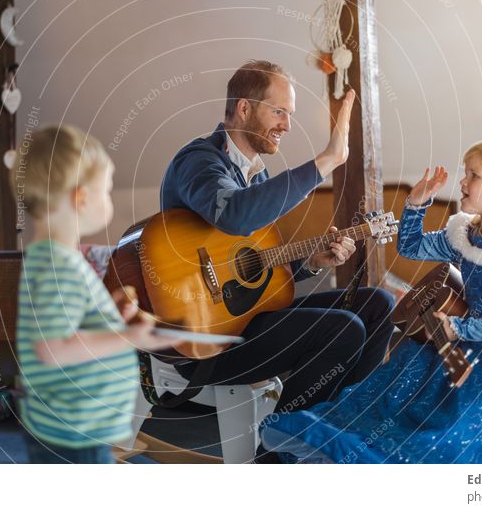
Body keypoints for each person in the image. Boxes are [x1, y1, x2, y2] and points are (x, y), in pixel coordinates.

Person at [260, 137, 482, 463]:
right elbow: (412, 247)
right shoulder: (466, 236)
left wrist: (462, 329)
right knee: (397, 384)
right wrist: (416, 205)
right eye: (466, 173)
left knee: (460, 424)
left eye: (474, 175)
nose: (463, 181)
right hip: (457, 335)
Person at [159, 60, 395, 462]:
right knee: (342, 330)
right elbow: (232, 214)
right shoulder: (198, 161)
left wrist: (313, 262)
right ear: (244, 109)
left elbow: (251, 269)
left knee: (376, 306)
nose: (287, 124)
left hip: (245, 318)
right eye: (279, 111)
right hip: (204, 340)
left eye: (290, 114)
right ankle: (279, 453)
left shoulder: (256, 175)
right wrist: (327, 160)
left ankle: (337, 430)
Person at [12, 125, 173, 463]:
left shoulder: (53, 258)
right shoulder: (60, 267)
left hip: (72, 427)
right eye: (106, 191)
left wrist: (107, 314)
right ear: (81, 198)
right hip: (74, 433)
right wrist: (127, 337)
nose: (108, 200)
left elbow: (66, 325)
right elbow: (53, 349)